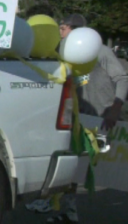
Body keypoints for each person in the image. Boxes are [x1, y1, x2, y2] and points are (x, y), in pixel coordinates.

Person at [26, 14, 128, 223]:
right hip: (80, 118)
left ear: (75, 30)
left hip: (104, 118)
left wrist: (116, 107)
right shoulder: (63, 51)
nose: (59, 33)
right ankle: (68, 211)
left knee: (113, 171)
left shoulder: (101, 51)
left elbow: (122, 78)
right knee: (73, 166)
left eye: (62, 28)